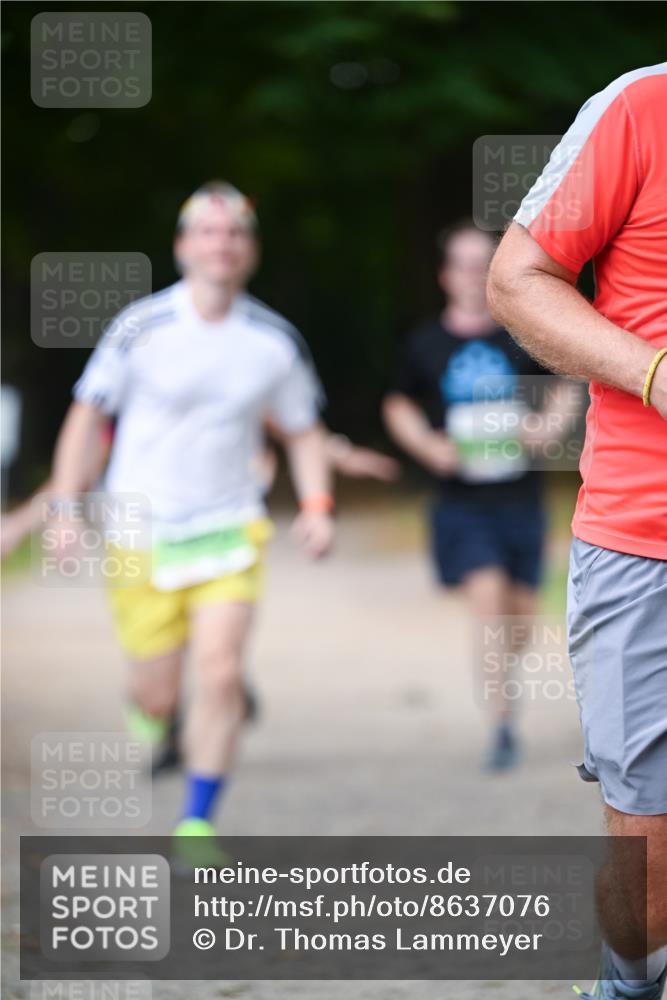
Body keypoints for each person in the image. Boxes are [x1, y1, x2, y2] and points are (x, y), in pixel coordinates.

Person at [45, 181, 336, 839]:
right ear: (182, 246)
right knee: (155, 692)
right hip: (139, 530)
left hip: (227, 527)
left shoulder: (273, 340)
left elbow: (303, 430)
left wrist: (317, 504)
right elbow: (86, 417)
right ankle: (158, 715)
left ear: (250, 250)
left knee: (221, 670)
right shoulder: (139, 327)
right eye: (207, 231)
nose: (220, 243)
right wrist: (64, 509)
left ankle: (196, 822)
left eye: (234, 232)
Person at [487, 63, 667, 999]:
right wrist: (654, 375)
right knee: (651, 874)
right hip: (644, 541)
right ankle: (627, 982)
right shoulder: (642, 107)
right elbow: (518, 281)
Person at [383, 221, 575, 770]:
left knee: (520, 620)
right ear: (445, 275)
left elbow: (566, 382)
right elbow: (398, 404)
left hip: (521, 500)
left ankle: (501, 682)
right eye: (462, 264)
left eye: (481, 264)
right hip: (460, 502)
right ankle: (501, 725)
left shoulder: (523, 333)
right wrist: (427, 446)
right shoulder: (425, 343)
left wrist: (547, 426)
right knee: (487, 597)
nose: (471, 274)